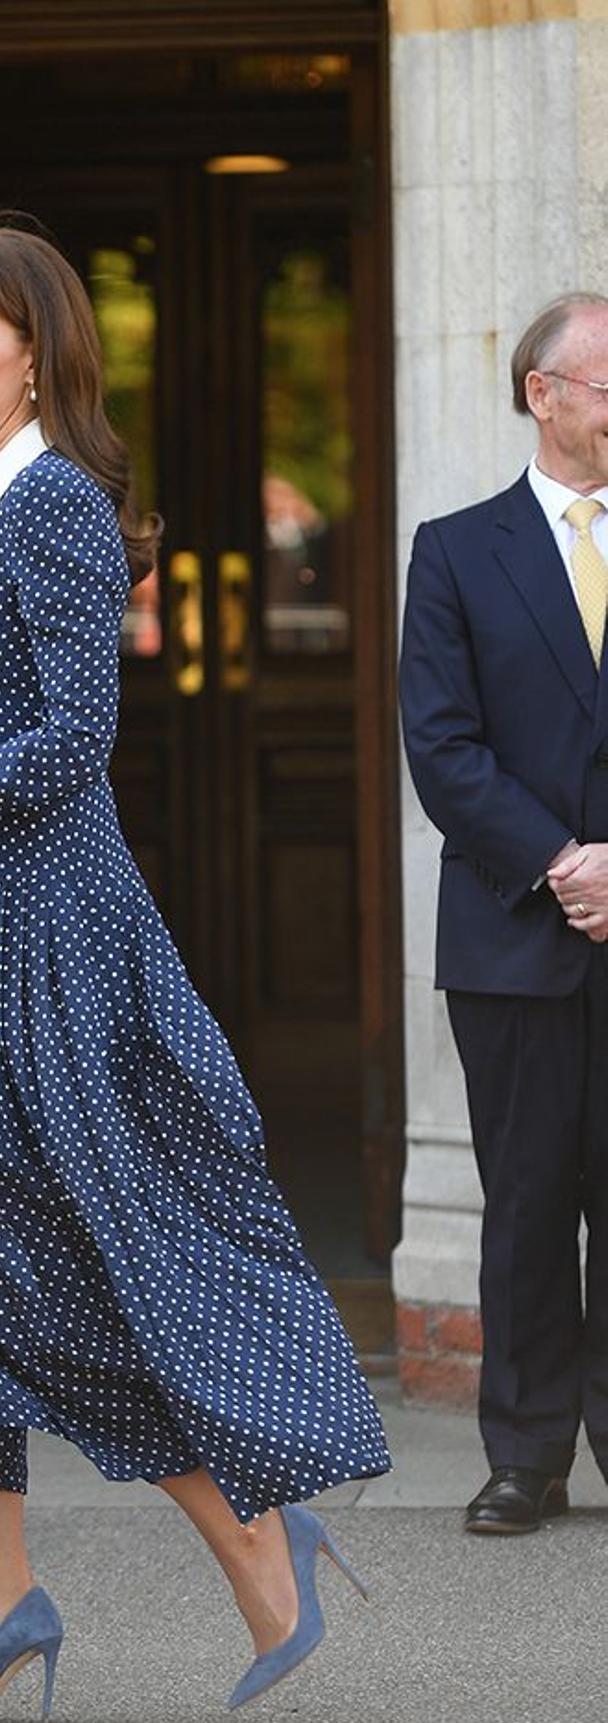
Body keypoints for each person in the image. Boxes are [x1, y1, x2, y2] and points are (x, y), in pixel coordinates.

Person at [0, 214, 389, 1722]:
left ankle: (242, 1537)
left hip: (61, 938)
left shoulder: (49, 509)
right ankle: (1, 1595)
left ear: (33, 352)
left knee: (36, 1250)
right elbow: (3, 733)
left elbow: (71, 749)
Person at [400, 292, 608, 1535]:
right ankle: (526, 1453)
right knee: (528, 1196)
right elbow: (442, 746)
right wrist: (566, 863)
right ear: (546, 393)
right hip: (515, 930)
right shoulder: (458, 549)